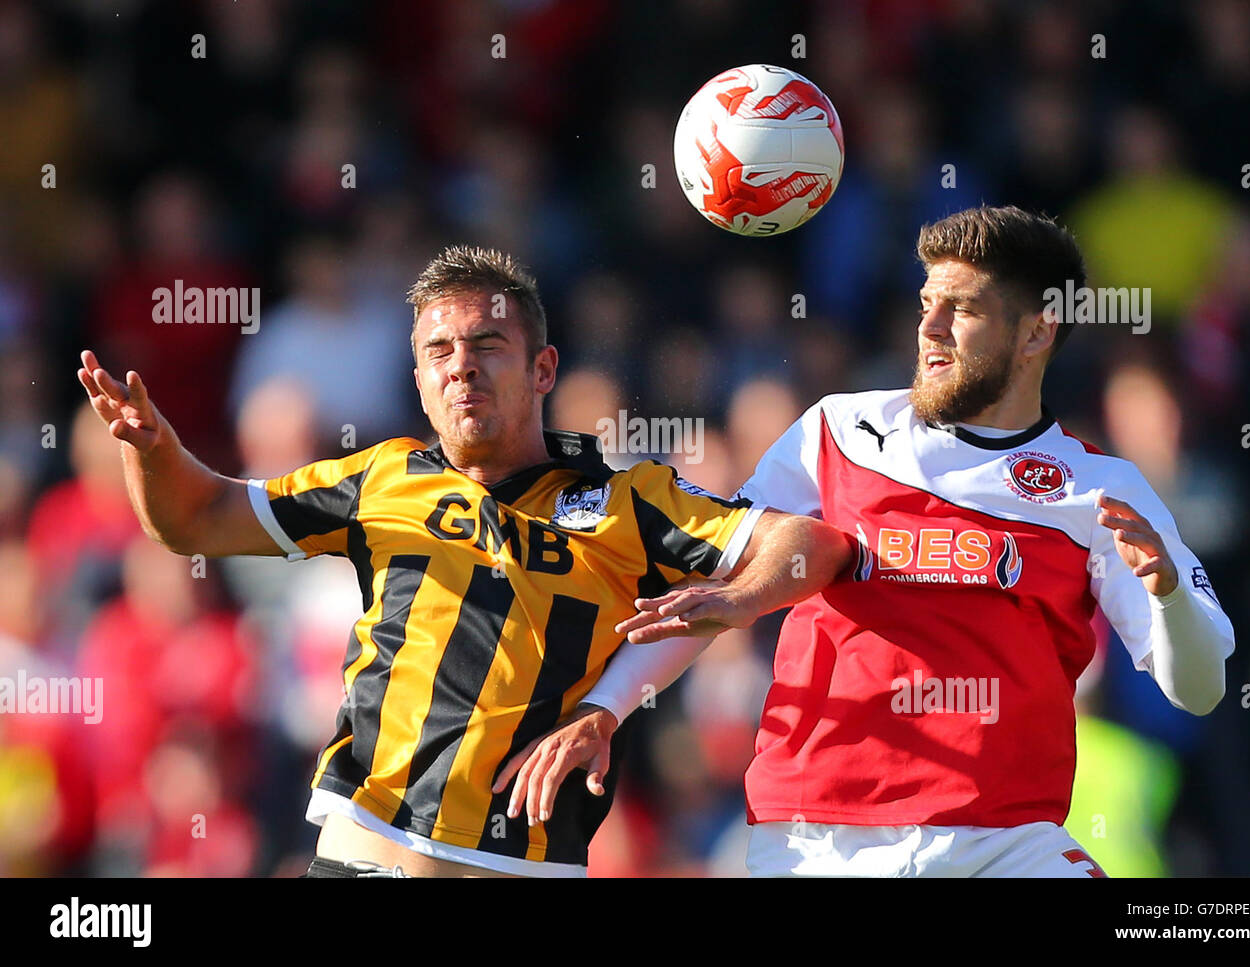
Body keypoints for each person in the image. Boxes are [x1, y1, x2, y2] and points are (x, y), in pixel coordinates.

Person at [76, 245, 854, 878]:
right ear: (418, 380)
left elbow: (812, 543)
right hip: (360, 851)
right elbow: (195, 520)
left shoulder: (629, 499)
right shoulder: (379, 476)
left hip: (519, 864)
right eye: (438, 350)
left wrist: (738, 598)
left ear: (543, 369)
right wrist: (153, 453)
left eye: (488, 345)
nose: (461, 366)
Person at [515, 206, 1235, 877]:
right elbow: (711, 596)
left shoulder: (1097, 486)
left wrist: (1168, 592)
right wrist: (605, 706)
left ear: (1037, 332)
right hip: (816, 839)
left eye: (965, 308)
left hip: (1006, 842)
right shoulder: (837, 433)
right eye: (928, 303)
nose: (931, 327)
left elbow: (1197, 689)